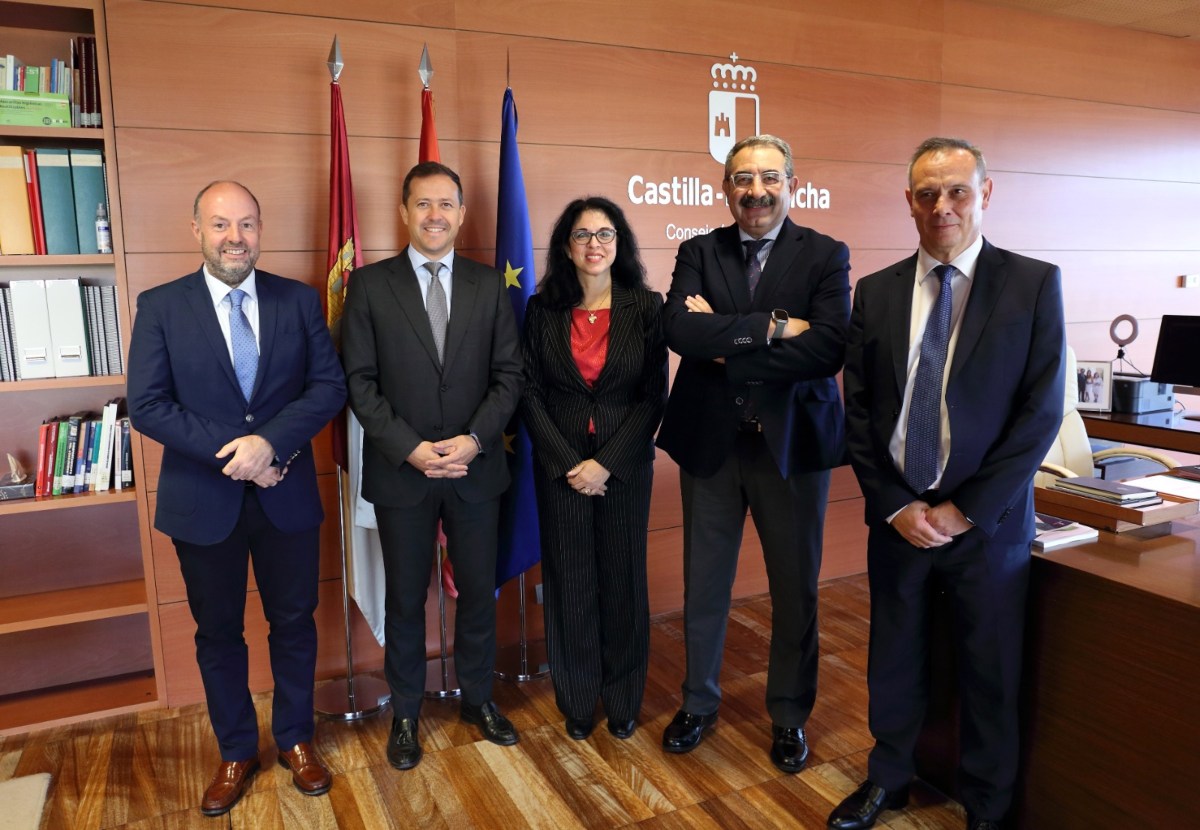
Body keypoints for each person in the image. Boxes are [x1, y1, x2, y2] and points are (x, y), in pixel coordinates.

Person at [832, 137, 1065, 830]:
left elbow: (1040, 412)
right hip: (899, 520)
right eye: (927, 194)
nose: (942, 207)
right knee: (895, 657)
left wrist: (967, 511)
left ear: (985, 194)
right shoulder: (874, 293)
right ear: (908, 201)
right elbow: (861, 410)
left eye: (957, 191)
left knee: (989, 673)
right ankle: (890, 779)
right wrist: (895, 505)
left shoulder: (1032, 284)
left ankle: (988, 808)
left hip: (986, 528)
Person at [127, 181, 346, 816]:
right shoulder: (162, 306)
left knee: (295, 624)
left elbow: (327, 388)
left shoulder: (299, 302)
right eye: (221, 225)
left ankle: (297, 741)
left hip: (287, 496)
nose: (235, 238)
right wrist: (243, 454)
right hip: (204, 500)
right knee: (217, 632)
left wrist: (271, 446)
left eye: (247, 225)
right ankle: (235, 751)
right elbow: (147, 406)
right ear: (195, 229)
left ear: (260, 230)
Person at [656, 135, 851, 773]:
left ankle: (789, 715)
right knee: (704, 584)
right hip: (711, 444)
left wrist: (725, 336)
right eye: (742, 179)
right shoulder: (697, 249)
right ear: (726, 189)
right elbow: (679, 330)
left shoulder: (825, 255)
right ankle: (698, 702)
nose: (756, 191)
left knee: (796, 589)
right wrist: (771, 326)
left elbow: (827, 350)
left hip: (792, 448)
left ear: (791, 182)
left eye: (769, 177)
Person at [341, 161, 523, 771]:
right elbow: (360, 384)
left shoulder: (489, 286)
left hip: (476, 470)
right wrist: (411, 448)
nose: (435, 216)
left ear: (462, 213)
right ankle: (408, 715)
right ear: (403, 212)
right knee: (404, 599)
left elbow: (509, 378)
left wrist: (473, 440)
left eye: (446, 204)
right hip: (403, 471)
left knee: (477, 592)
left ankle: (477, 701)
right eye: (423, 204)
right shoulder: (369, 287)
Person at [521, 197, 668, 741]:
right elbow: (530, 393)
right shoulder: (542, 310)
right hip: (560, 469)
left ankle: (624, 698)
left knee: (624, 581)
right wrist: (569, 465)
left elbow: (654, 397)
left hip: (625, 468)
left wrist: (605, 463)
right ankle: (579, 700)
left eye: (604, 234)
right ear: (566, 246)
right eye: (582, 235)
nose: (594, 245)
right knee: (571, 582)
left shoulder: (647, 307)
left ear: (620, 243)